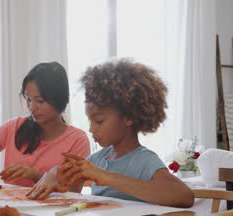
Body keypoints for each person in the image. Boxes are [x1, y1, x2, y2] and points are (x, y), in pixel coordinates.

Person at [27, 59, 194, 208]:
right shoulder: (98, 159)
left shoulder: (144, 160)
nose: (91, 129)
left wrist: (104, 176)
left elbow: (184, 195)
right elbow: (73, 194)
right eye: (90, 121)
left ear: (128, 117)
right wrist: (57, 174)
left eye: (99, 121)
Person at [0, 62, 90, 187]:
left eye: (40, 101)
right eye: (28, 99)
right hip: (9, 207)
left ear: (60, 99)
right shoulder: (13, 127)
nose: (32, 107)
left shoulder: (77, 140)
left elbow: (73, 190)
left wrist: (34, 175)